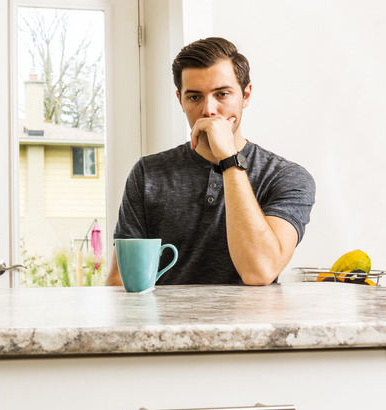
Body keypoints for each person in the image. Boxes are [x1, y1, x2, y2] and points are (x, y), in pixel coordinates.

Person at [105, 37, 315, 287]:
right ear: (180, 100)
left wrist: (229, 160)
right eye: (194, 97)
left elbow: (260, 271)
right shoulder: (148, 173)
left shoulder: (286, 177)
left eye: (222, 94)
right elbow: (120, 279)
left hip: (250, 326)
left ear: (245, 95)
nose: (209, 110)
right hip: (165, 325)